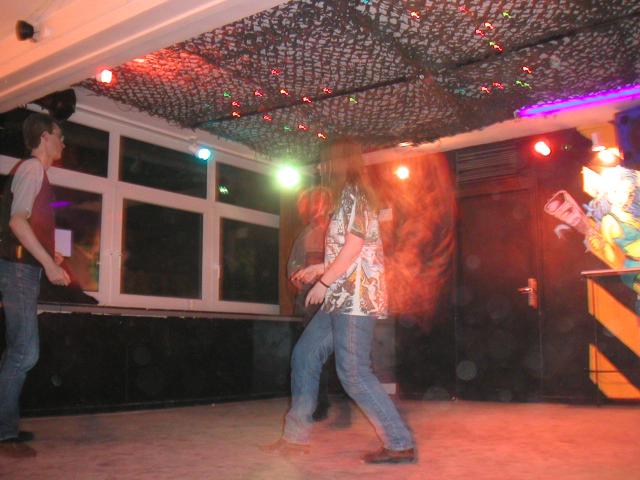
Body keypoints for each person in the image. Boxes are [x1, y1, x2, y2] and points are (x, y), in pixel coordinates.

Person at [266, 138, 415, 464]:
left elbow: (354, 246)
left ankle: (399, 442)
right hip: (341, 297)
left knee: (354, 373)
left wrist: (324, 281)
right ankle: (295, 437)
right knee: (305, 356)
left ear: (338, 162)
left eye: (325, 161)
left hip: (354, 299)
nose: (321, 167)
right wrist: (320, 268)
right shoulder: (347, 198)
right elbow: (351, 251)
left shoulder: (353, 194)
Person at [0, 113, 71, 458]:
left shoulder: (33, 172)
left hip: (20, 269)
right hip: (18, 270)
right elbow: (17, 222)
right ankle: (3, 432)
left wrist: (48, 251)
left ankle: (6, 424)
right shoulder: (32, 169)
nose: (63, 143)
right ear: (45, 137)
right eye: (60, 136)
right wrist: (47, 263)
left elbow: (22, 223)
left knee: (19, 351)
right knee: (24, 353)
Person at [287, 186, 333, 420]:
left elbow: (344, 265)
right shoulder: (304, 234)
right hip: (308, 302)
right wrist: (298, 277)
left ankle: (319, 404)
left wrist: (321, 277)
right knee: (306, 353)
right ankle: (312, 406)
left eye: (320, 202)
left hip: (331, 300)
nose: (316, 208)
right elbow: (293, 268)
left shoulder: (336, 230)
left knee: (338, 359)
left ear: (328, 204)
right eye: (313, 203)